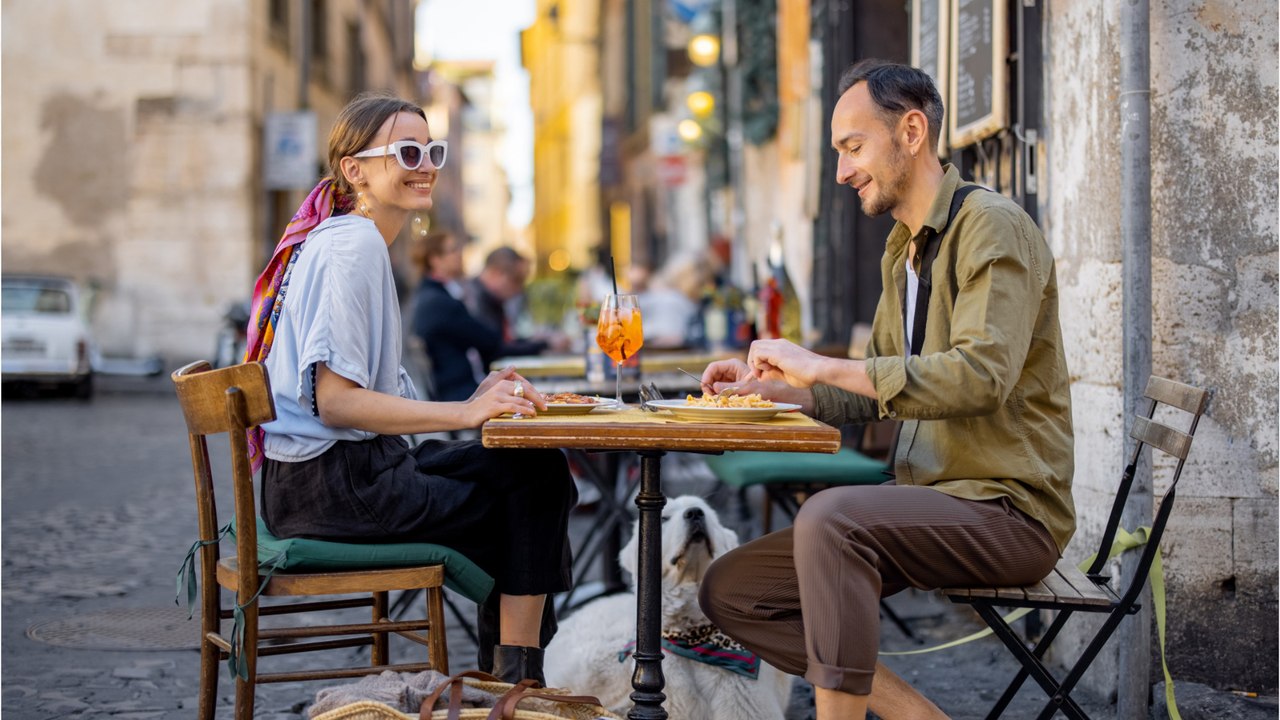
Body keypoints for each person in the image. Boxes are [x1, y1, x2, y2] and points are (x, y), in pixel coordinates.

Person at [696, 60, 1074, 720]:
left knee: (831, 518)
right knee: (731, 589)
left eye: (852, 147)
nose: (841, 172)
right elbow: (874, 389)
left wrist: (819, 364)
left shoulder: (991, 226)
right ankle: (917, 715)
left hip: (1009, 512)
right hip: (924, 503)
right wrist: (776, 391)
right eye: (838, 153)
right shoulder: (902, 250)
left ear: (912, 130)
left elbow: (981, 376)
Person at [243, 92, 575, 684]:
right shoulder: (354, 245)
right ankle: (518, 683)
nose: (426, 164)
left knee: (530, 467)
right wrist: (466, 414)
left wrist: (474, 403)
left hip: (331, 476)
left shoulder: (349, 239)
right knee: (535, 485)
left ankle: (510, 676)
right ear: (355, 170)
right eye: (408, 151)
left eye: (432, 150)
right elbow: (337, 401)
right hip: (334, 486)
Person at [409, 230, 500, 401]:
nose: (459, 255)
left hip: (459, 386)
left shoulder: (432, 294)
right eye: (453, 250)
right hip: (460, 391)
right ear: (435, 259)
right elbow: (488, 340)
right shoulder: (438, 301)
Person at [464, 247, 565, 366]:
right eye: (517, 280)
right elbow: (497, 350)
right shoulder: (473, 300)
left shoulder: (489, 298)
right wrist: (544, 344)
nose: (520, 289)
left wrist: (535, 340)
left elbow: (503, 342)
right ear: (496, 273)